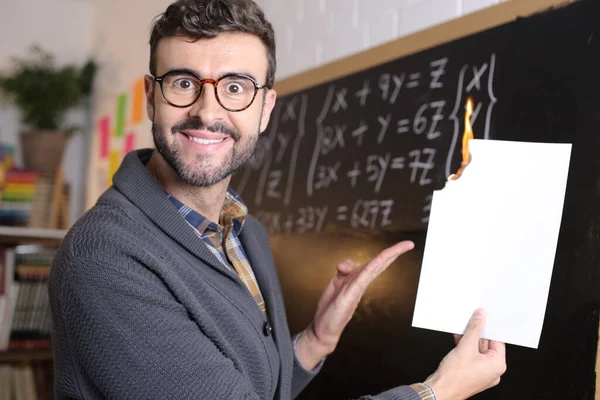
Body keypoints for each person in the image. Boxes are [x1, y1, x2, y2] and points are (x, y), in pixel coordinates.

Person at [49, 0, 506, 399]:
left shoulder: (245, 232)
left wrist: (313, 342)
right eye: (184, 83)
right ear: (152, 97)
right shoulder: (104, 258)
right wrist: (438, 391)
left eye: (235, 88)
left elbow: (242, 387)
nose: (207, 112)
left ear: (265, 109)